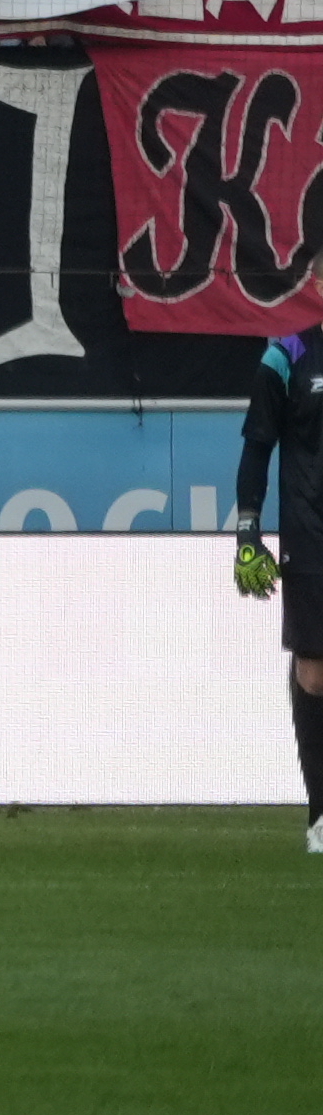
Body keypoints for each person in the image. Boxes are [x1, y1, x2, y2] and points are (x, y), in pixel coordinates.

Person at [234, 324, 323, 854]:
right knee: (314, 675)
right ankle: (321, 817)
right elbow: (257, 446)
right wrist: (248, 528)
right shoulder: (287, 355)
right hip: (310, 540)